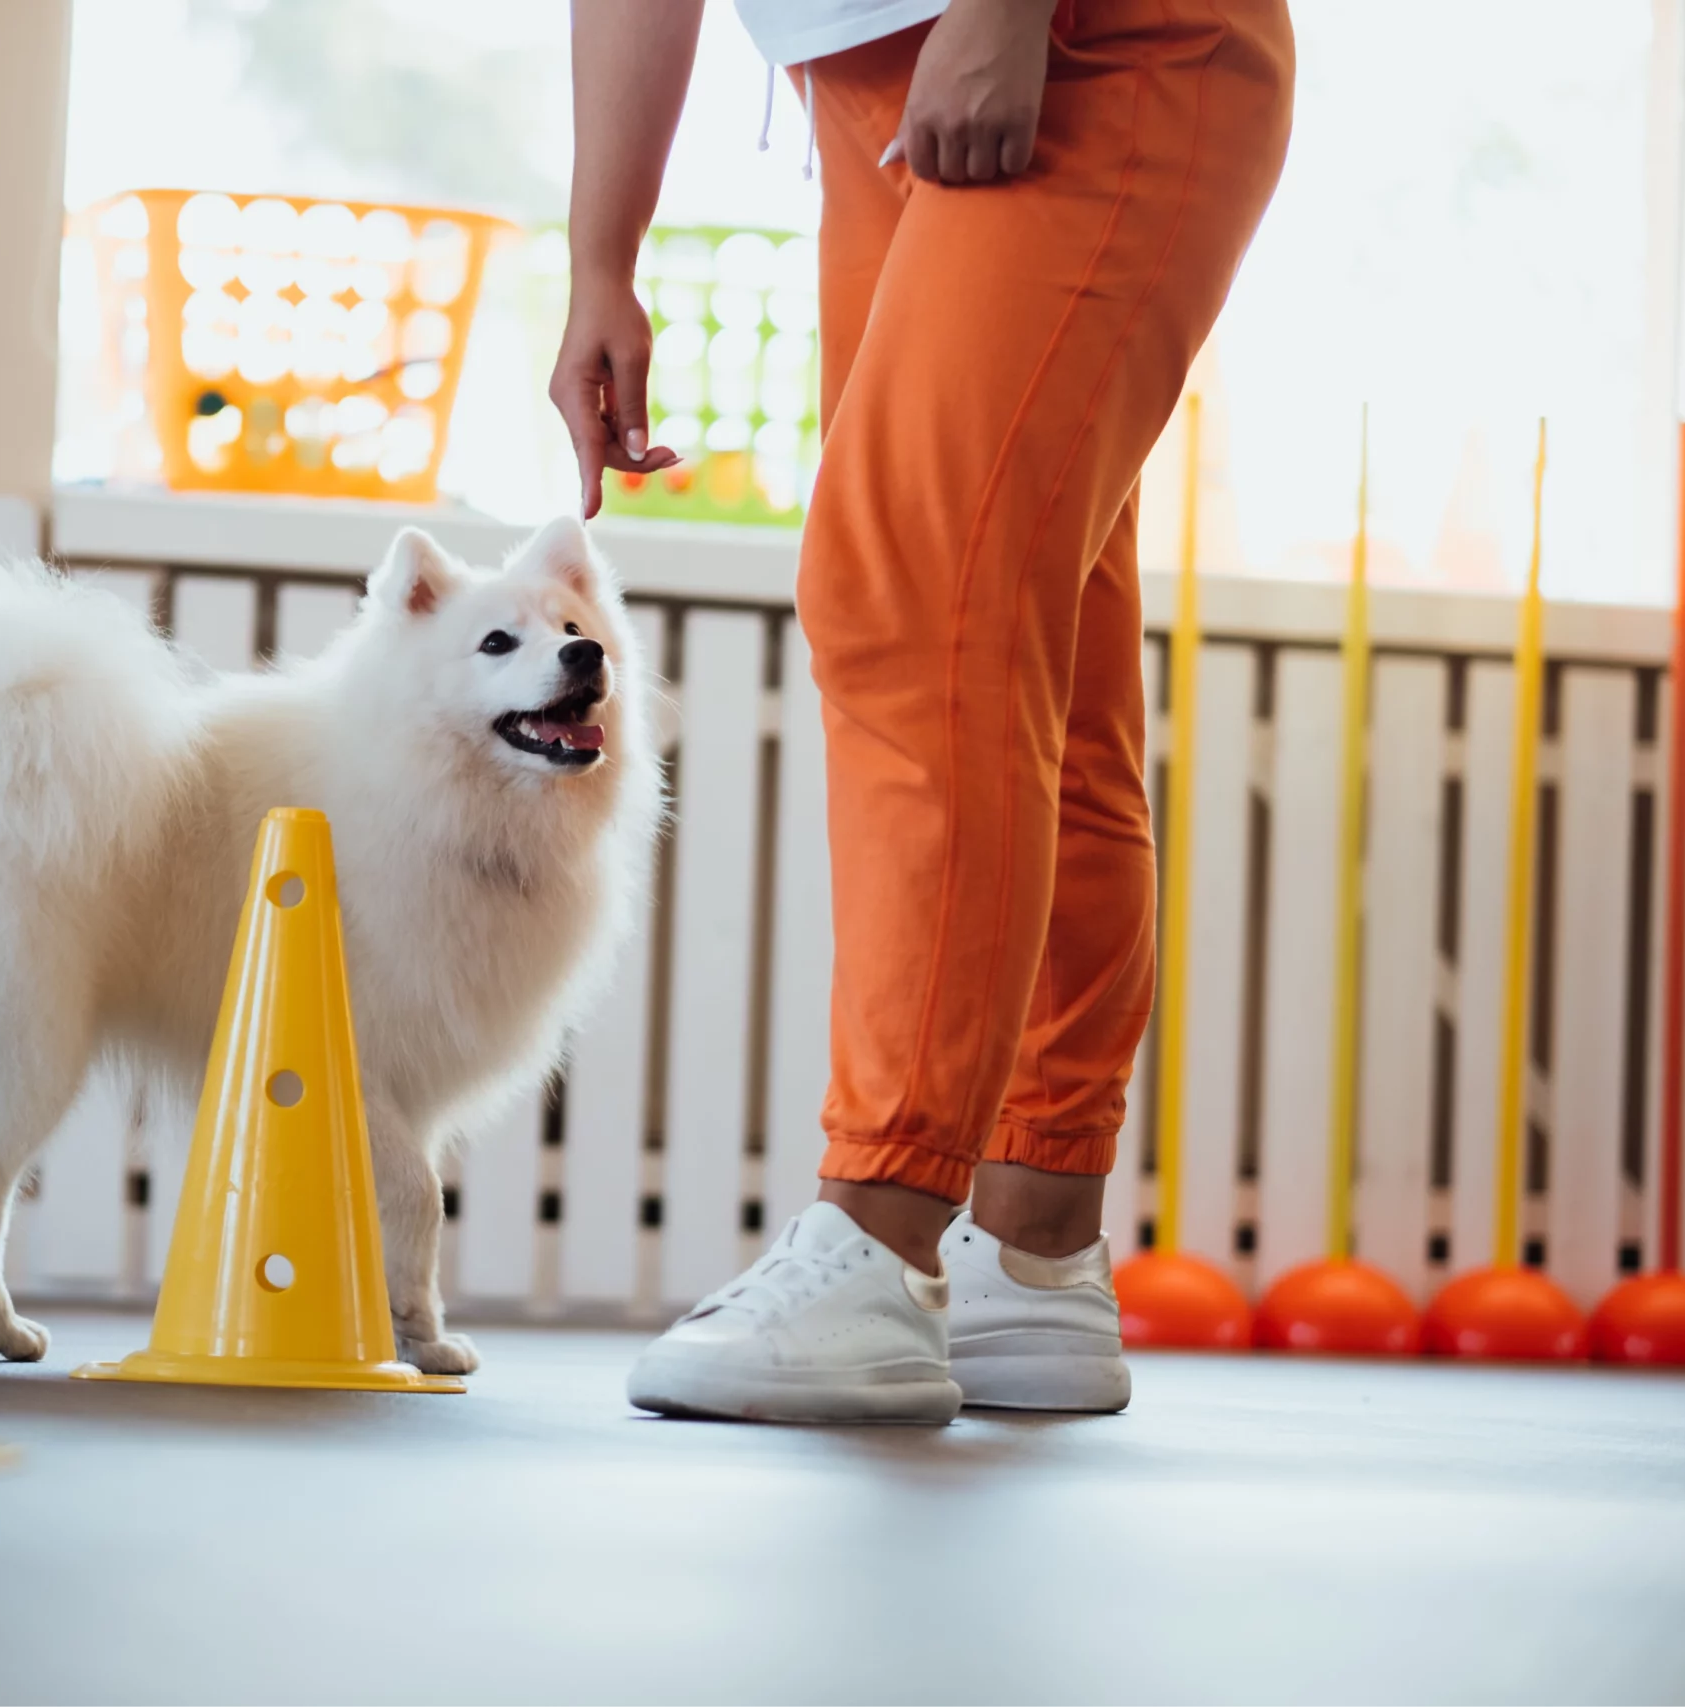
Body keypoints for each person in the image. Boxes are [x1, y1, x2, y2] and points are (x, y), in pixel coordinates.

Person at [552, 0, 1293, 1422]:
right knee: (1033, 648)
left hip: (1093, 43)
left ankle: (881, 1235)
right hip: (872, 83)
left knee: (912, 596)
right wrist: (602, 256)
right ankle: (1031, 1242)